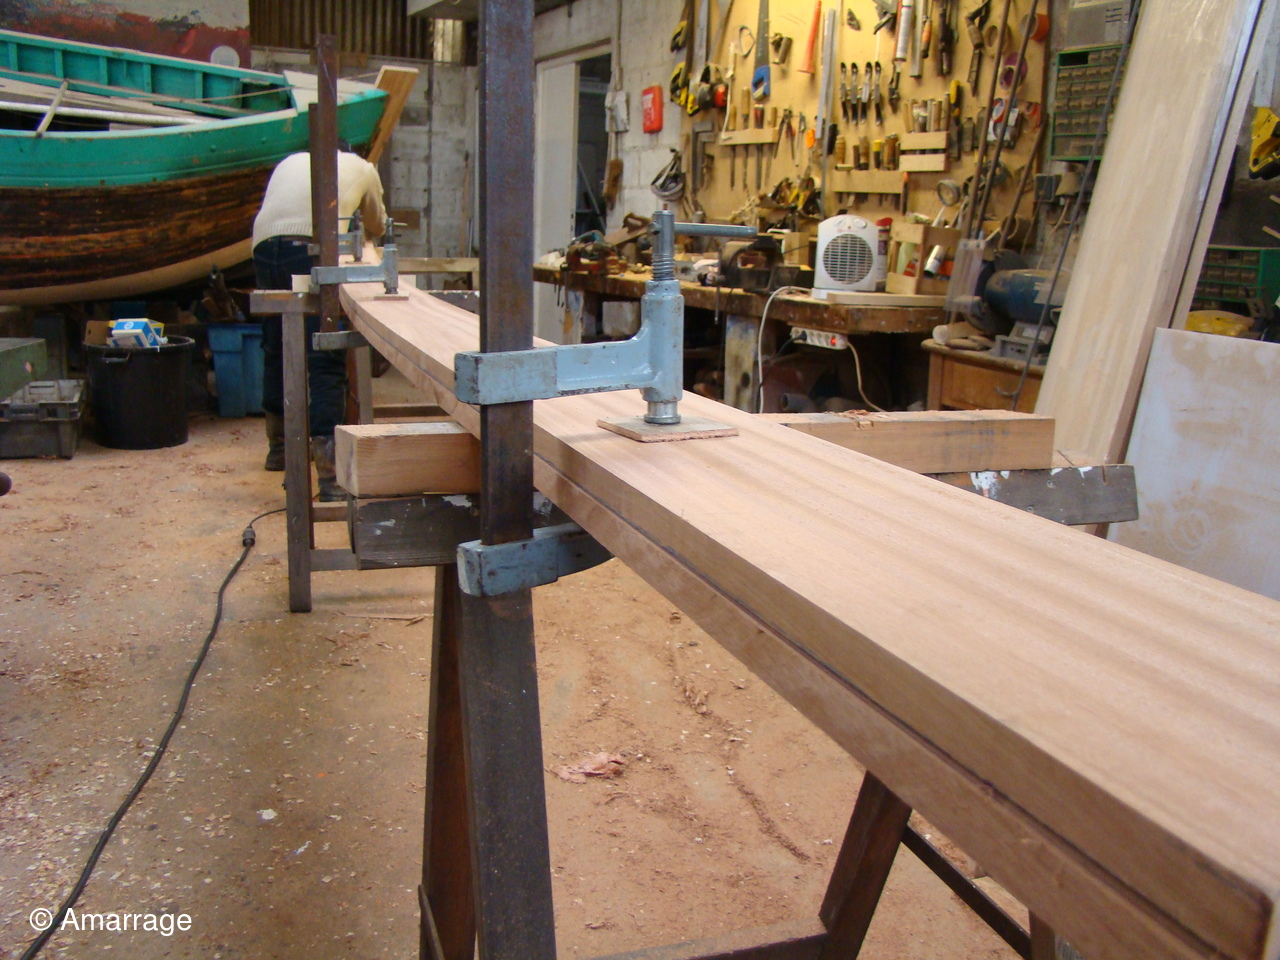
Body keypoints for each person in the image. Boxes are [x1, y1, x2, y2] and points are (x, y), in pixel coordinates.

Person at [252, 147, 386, 500]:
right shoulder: (363, 168)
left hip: (263, 244)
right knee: (325, 352)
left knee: (277, 345)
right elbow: (377, 225)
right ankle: (328, 475)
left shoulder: (290, 160)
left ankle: (279, 448)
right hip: (309, 244)